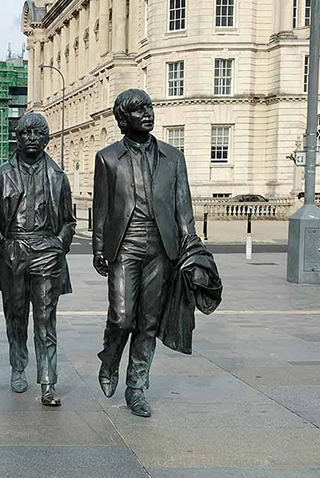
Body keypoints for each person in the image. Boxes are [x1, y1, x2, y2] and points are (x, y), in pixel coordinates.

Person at [92, 89, 201, 418]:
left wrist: (190, 248)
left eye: (149, 107)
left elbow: (184, 209)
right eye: (139, 110)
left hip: (161, 249)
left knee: (148, 322)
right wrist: (98, 248)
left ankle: (136, 387)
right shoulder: (108, 157)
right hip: (124, 245)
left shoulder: (173, 158)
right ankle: (109, 359)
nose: (148, 113)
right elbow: (101, 209)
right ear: (124, 119)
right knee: (122, 316)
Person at [0, 113, 76, 406]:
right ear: (18, 137)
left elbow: (68, 221)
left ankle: (48, 381)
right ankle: (18, 365)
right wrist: (2, 244)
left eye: (39, 134)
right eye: (27, 133)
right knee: (16, 315)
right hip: (13, 251)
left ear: (47, 139)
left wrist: (58, 245)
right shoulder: (0, 176)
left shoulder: (58, 176)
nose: (33, 138)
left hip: (46, 251)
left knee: (46, 319)